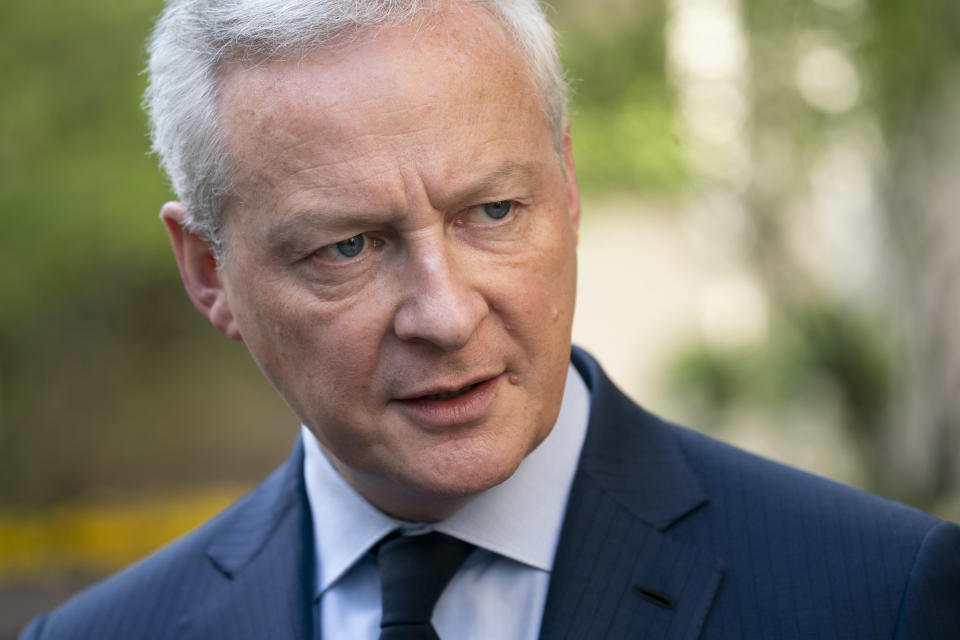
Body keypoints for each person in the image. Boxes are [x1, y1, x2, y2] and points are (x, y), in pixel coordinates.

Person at [21, 0, 960, 638]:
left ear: (568, 183)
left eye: (493, 212)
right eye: (348, 248)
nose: (447, 312)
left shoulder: (879, 597)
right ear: (208, 272)